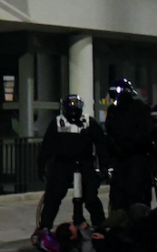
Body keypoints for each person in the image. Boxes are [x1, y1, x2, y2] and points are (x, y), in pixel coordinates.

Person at [36, 95, 108, 231]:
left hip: (85, 164)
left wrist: (104, 165)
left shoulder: (88, 122)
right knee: (53, 197)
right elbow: (47, 146)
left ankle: (100, 227)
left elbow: (101, 144)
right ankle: (44, 228)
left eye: (76, 111)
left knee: (91, 198)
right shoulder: (57, 123)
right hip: (63, 164)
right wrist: (41, 164)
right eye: (71, 111)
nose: (73, 114)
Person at [105, 78, 153, 212]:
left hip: (133, 159)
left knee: (129, 197)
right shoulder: (115, 111)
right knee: (128, 197)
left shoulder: (137, 109)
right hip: (130, 159)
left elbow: (145, 134)